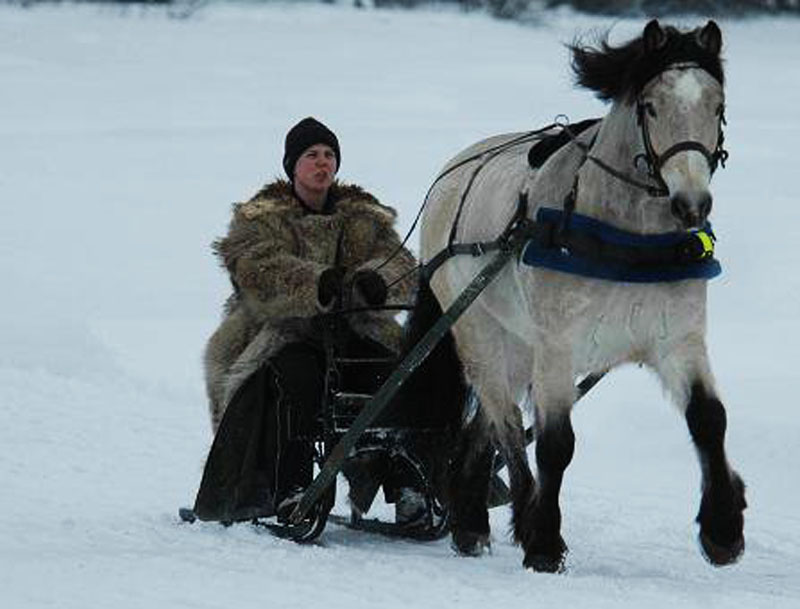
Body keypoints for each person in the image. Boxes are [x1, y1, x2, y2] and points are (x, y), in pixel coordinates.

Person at [196, 117, 424, 527]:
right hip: (285, 334)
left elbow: (402, 264)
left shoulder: (365, 218)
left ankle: (410, 486)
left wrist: (377, 281)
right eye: (311, 155)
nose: (323, 163)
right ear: (292, 166)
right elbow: (254, 269)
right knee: (295, 378)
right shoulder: (260, 219)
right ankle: (292, 488)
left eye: (329, 155)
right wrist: (316, 283)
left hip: (355, 331)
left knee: (394, 376)